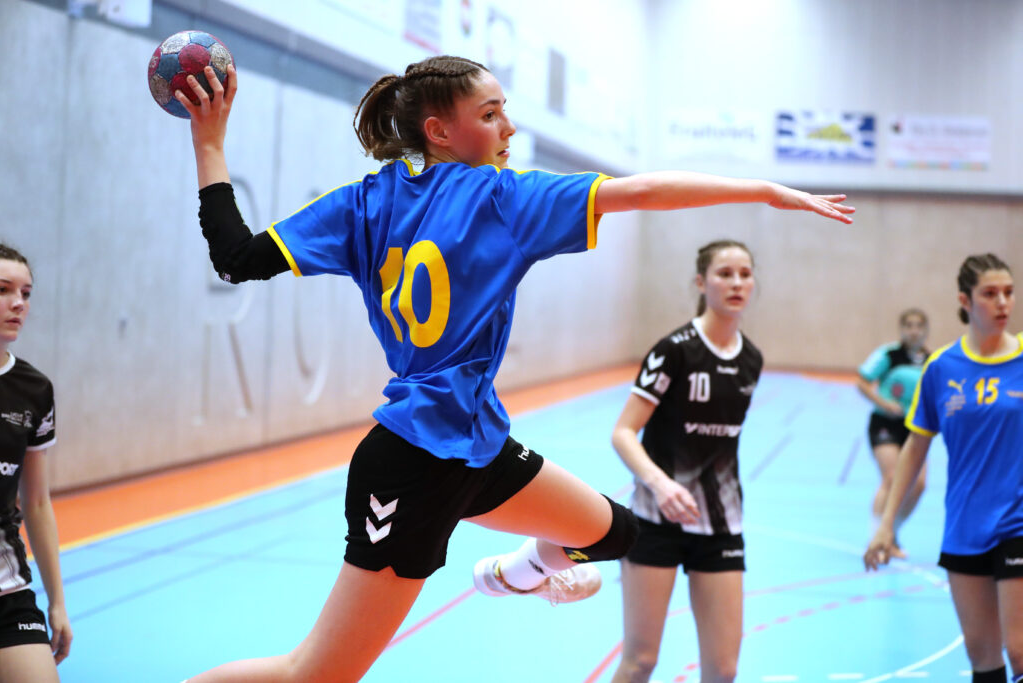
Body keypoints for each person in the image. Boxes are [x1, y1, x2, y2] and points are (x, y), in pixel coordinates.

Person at [177, 55, 854, 682]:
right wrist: (764, 189)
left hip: (477, 445)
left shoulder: (366, 199)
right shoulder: (501, 199)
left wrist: (211, 144)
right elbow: (642, 191)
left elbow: (237, 255)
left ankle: (515, 570)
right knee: (313, 674)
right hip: (413, 461)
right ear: (441, 130)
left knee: (614, 532)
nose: (510, 125)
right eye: (492, 113)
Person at [865, 254, 1023, 683]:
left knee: (1021, 649)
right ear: (965, 300)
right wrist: (886, 526)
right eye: (990, 294)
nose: (1002, 302)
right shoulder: (941, 368)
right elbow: (915, 448)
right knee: (983, 657)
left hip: (1018, 524)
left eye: (1008, 292)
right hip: (966, 526)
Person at [609, 240, 761, 683]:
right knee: (641, 661)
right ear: (701, 282)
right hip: (656, 522)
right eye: (725, 273)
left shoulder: (752, 359)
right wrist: (661, 484)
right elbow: (622, 432)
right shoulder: (674, 349)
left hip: (721, 527)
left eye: (745, 274)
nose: (736, 283)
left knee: (723, 669)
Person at [0, 244, 72, 682]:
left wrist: (57, 600)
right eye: (3, 290)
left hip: (7, 591)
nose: (18, 303)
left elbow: (38, 504)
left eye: (26, 293)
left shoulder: (34, 389)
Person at [856, 308, 929, 556]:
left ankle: (891, 534)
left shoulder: (932, 361)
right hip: (885, 423)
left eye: (918, 325)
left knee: (918, 484)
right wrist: (885, 404)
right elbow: (862, 382)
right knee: (891, 478)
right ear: (901, 329)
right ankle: (874, 539)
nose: (913, 330)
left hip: (914, 430)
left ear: (925, 330)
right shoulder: (889, 355)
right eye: (908, 325)